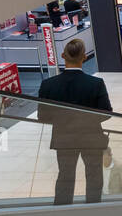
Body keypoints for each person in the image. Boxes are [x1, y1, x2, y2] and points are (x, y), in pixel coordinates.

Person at [37, 38, 113, 205]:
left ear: (63, 56)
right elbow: (106, 113)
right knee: (94, 175)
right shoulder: (96, 83)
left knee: (65, 175)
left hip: (63, 138)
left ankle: (62, 209)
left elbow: (42, 116)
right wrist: (86, 119)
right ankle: (92, 207)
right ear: (84, 57)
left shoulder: (48, 84)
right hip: (91, 137)